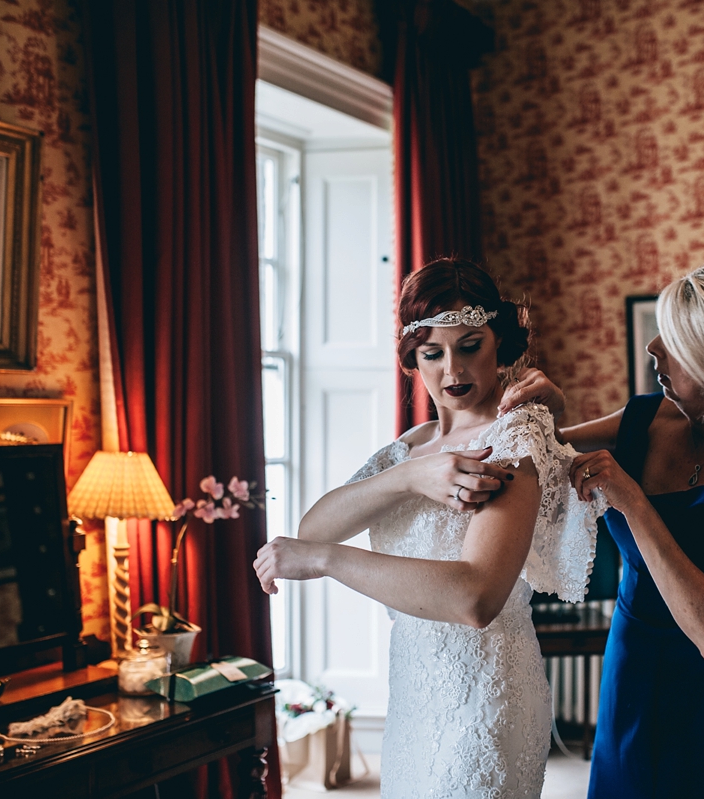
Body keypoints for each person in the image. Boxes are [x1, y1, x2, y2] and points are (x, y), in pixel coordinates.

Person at [253, 259, 602, 799]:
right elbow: (314, 527)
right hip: (415, 689)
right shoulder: (413, 446)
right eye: (432, 353)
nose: (452, 370)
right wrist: (409, 477)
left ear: (498, 340)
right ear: (412, 359)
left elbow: (476, 598)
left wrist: (325, 563)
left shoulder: (516, 435)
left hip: (487, 695)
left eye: (470, 345)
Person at [511, 257, 704, 798]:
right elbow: (542, 458)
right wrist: (550, 414)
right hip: (635, 653)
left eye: (673, 339)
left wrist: (633, 500)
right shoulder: (649, 418)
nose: (653, 348)